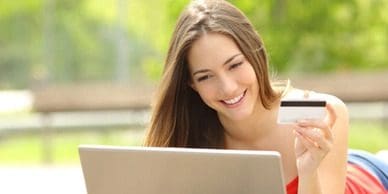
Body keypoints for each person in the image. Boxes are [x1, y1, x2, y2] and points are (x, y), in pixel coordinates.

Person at [143, 0, 388, 193]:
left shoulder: (311, 114)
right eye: (206, 77)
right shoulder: (192, 142)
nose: (228, 88)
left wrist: (309, 171)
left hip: (369, 179)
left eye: (235, 65)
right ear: (191, 85)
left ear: (255, 54)